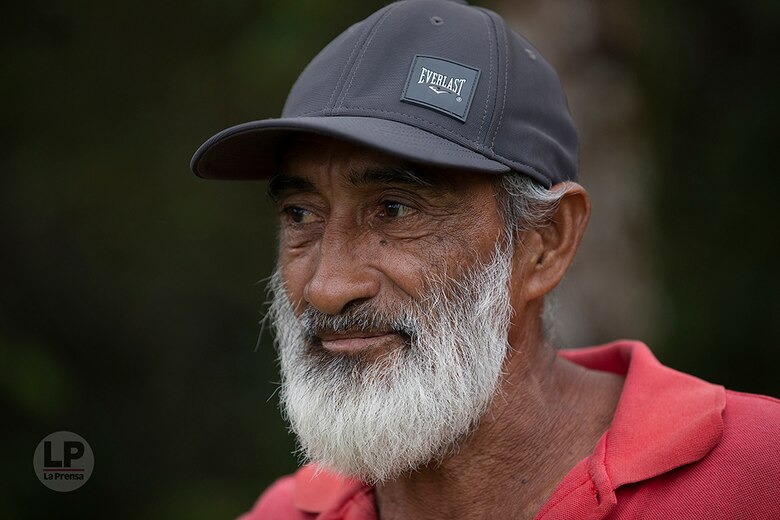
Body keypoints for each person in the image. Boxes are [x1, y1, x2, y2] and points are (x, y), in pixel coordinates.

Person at [190, 1, 780, 518]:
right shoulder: (285, 514)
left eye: (394, 209)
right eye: (301, 215)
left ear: (545, 242)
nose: (327, 286)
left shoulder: (756, 474)